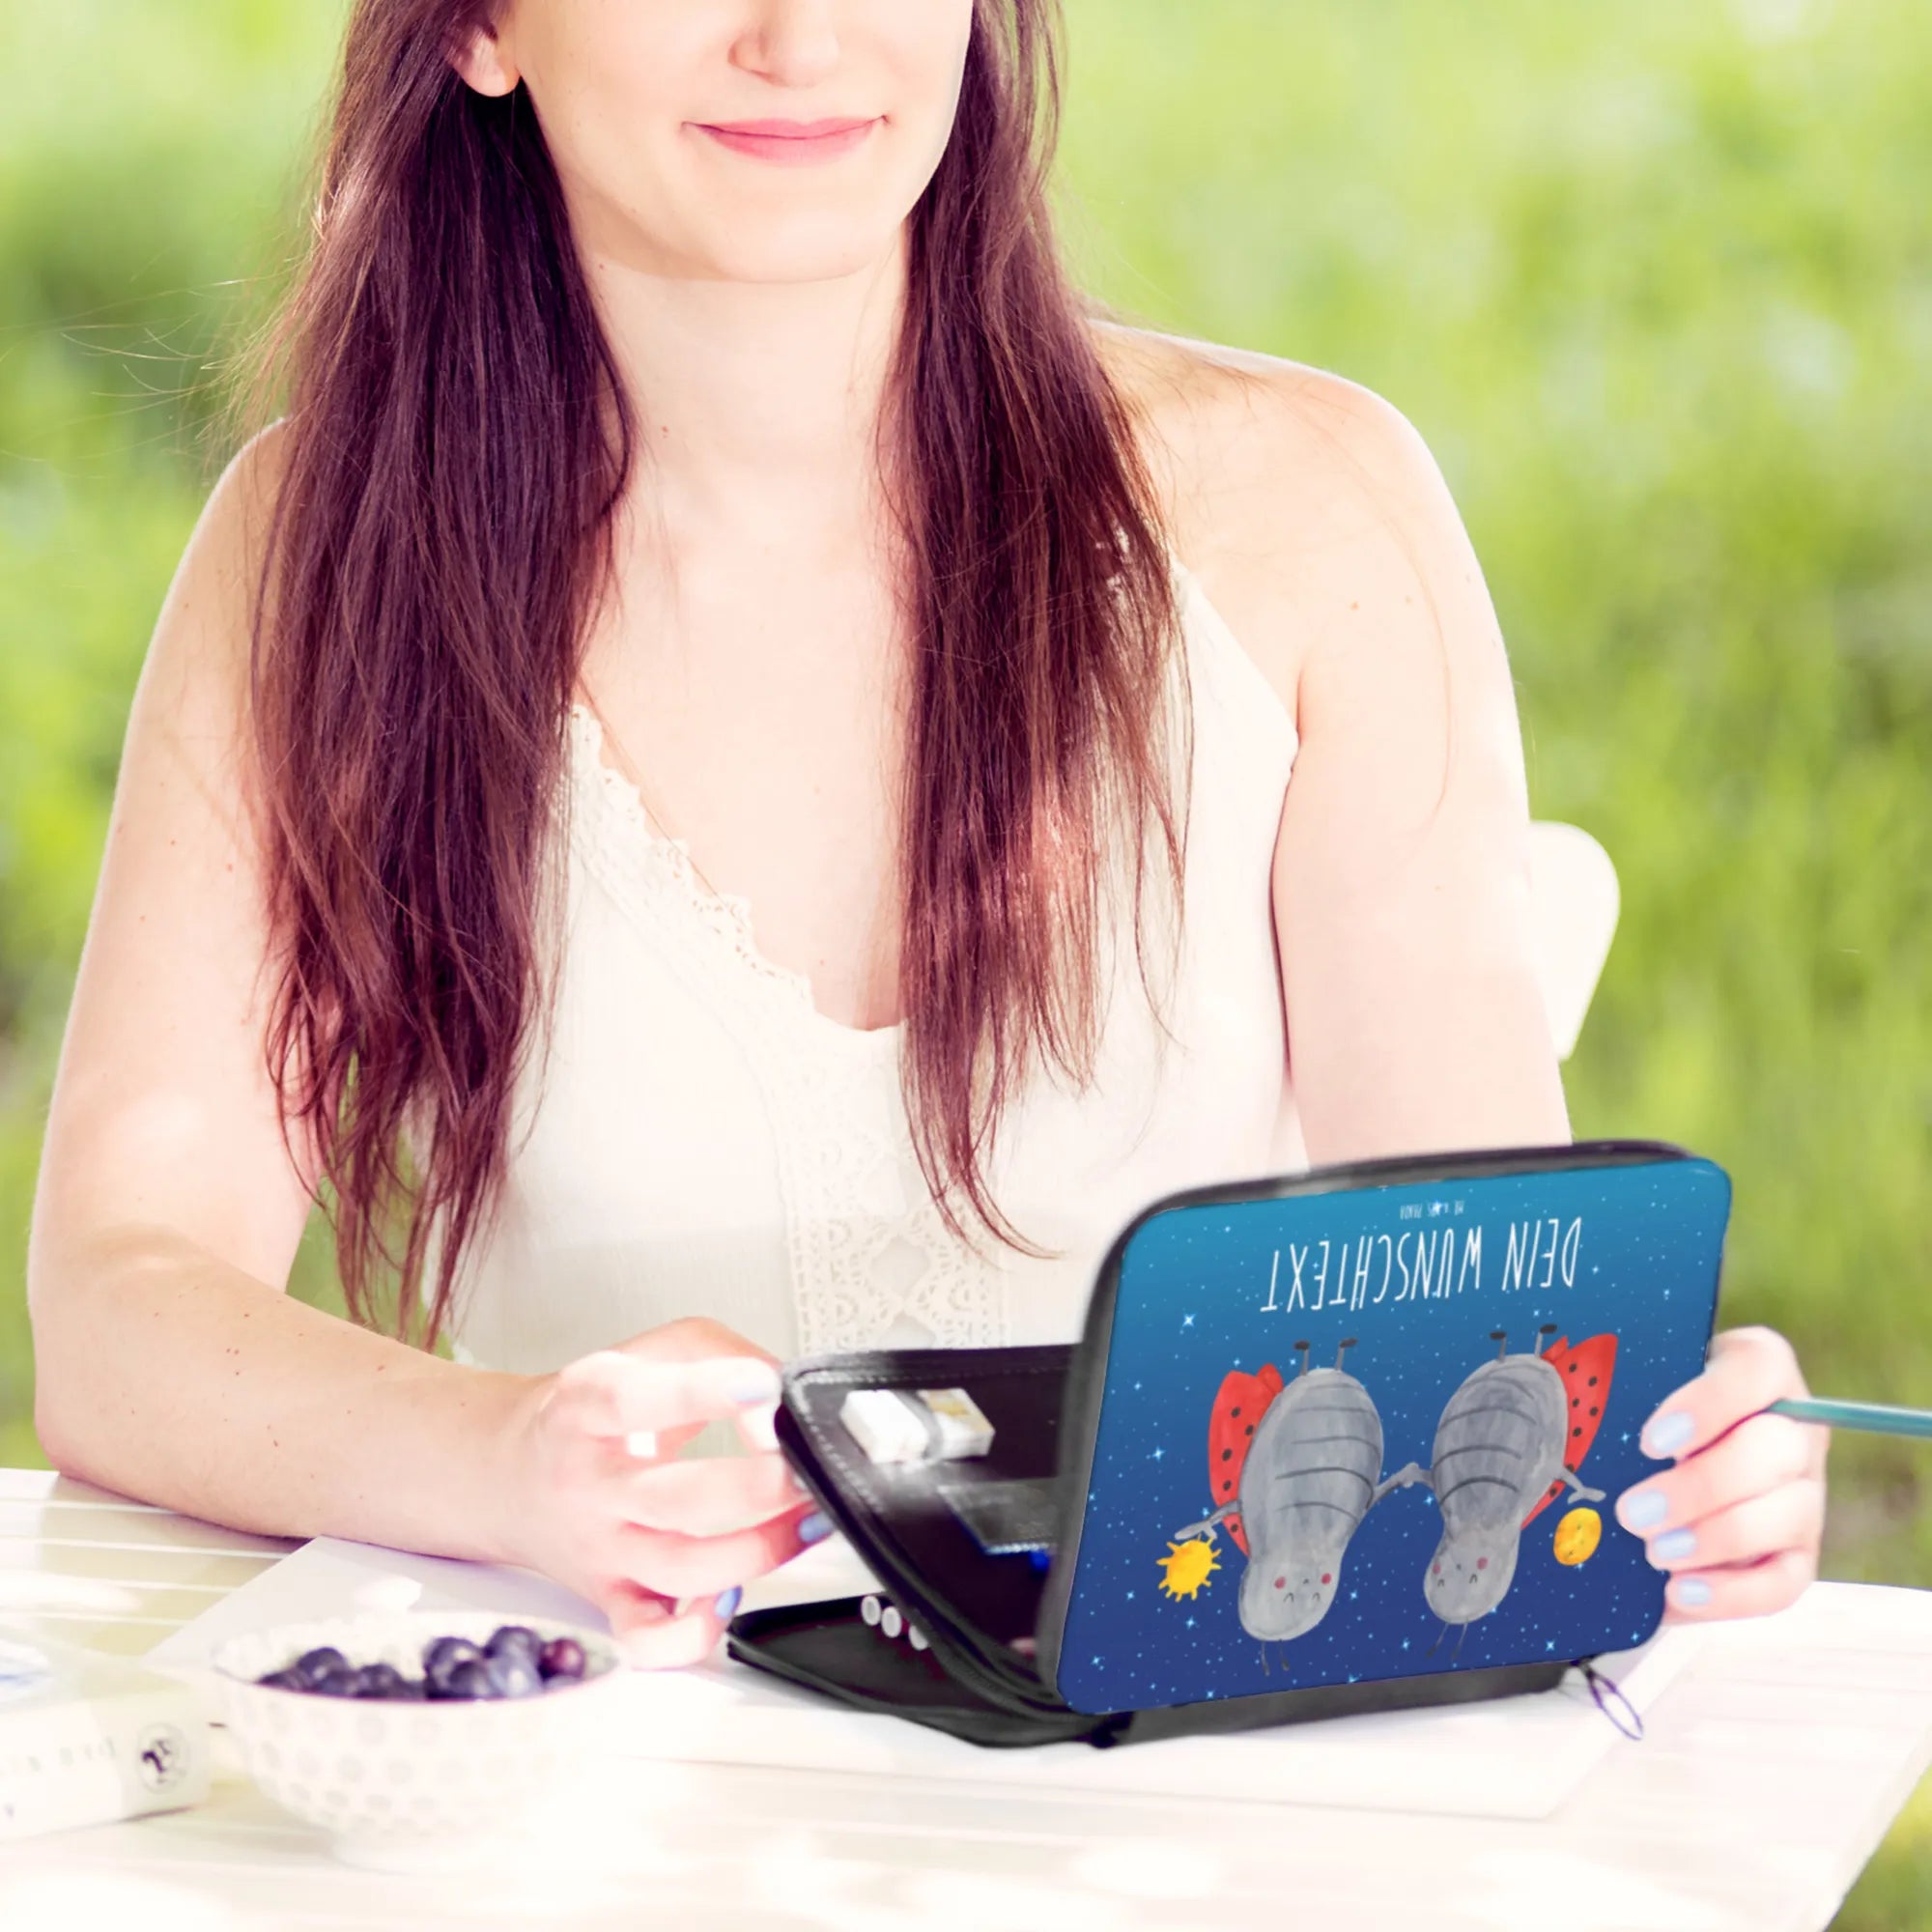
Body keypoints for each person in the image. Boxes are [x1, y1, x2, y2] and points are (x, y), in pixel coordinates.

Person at [25, 0, 1827, 1668]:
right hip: (606, 1771)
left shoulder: (1308, 520)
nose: (801, 38)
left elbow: (1500, 1314)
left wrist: (1674, 1462)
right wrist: (504, 1456)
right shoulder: (329, 554)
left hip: (1203, 1777)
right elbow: (117, 1314)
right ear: (480, 26)